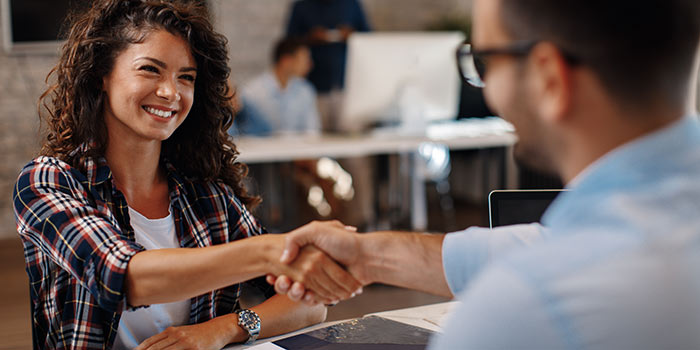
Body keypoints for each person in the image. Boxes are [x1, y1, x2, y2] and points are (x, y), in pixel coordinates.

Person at [270, 0, 700, 348]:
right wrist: (365, 255)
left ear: (549, 78)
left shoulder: (523, 312)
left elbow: (539, 265)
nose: (487, 88)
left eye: (485, 61)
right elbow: (530, 244)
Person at [12, 1, 361, 349]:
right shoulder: (48, 182)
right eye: (150, 70)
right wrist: (270, 251)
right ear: (102, 75)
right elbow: (124, 277)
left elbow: (311, 304)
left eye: (186, 77)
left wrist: (223, 328)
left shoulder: (208, 197)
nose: (171, 92)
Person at [285, 0, 370, 131]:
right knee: (316, 136)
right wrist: (309, 38)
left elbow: (369, 37)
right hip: (314, 86)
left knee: (350, 138)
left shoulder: (351, 4)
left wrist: (353, 35)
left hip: (346, 84)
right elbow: (288, 43)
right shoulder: (301, 7)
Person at [236, 37, 320, 136]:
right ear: (286, 60)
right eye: (305, 59)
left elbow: (312, 132)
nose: (309, 65)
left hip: (298, 150)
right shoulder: (252, 92)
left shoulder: (306, 91)